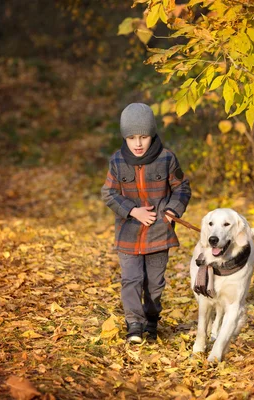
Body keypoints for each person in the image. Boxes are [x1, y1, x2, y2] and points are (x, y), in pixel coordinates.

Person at [101, 103, 191, 343]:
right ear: (125, 137)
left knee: (154, 284)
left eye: (143, 137)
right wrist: (132, 211)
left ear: (152, 134)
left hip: (159, 234)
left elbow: (182, 187)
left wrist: (173, 209)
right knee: (131, 279)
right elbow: (108, 194)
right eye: (132, 137)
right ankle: (133, 324)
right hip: (128, 234)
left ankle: (151, 321)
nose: (138, 143)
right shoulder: (118, 161)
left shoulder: (167, 158)